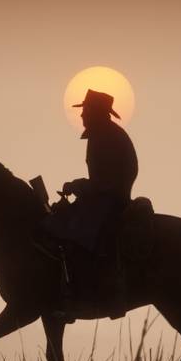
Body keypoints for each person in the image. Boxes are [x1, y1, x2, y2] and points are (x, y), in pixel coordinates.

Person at [41, 89, 138, 319]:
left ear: (95, 112)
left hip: (109, 201)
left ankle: (79, 295)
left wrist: (78, 186)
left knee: (72, 235)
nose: (82, 115)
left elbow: (105, 181)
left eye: (85, 111)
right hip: (103, 198)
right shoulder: (103, 134)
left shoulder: (106, 137)